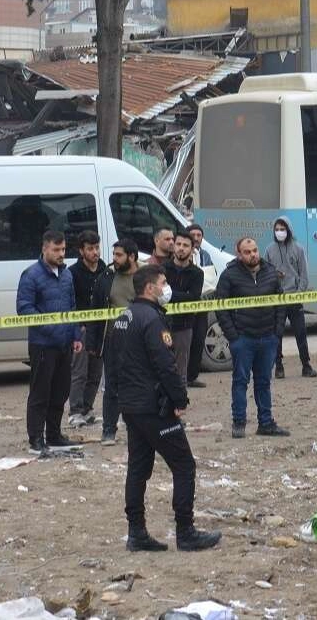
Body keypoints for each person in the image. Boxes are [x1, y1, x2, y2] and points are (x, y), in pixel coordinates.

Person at [105, 265, 221, 552]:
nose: (166, 288)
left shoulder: (123, 318)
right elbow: (166, 365)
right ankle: (186, 531)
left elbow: (113, 363)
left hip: (131, 405)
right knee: (184, 465)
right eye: (163, 282)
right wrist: (180, 399)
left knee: (138, 468)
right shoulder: (152, 320)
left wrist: (118, 400)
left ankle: (136, 532)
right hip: (152, 407)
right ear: (149, 288)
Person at [16, 230, 82, 454]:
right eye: (56, 249)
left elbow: (72, 307)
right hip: (43, 345)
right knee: (40, 393)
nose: (61, 254)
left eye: (63, 249)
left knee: (60, 392)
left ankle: (54, 435)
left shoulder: (67, 275)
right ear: (44, 249)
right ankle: (36, 438)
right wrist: (52, 328)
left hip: (64, 344)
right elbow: (25, 309)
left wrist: (75, 335)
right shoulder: (31, 275)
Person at [216, 238, 289, 439]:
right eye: (247, 252)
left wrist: (277, 332)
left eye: (255, 250)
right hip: (243, 339)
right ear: (239, 254)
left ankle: (266, 423)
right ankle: (239, 422)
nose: (253, 255)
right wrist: (234, 337)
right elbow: (221, 308)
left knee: (264, 382)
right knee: (240, 381)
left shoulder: (270, 272)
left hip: (268, 338)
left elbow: (281, 303)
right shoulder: (229, 275)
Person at [88, 239, 140, 445]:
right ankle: (108, 430)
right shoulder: (106, 277)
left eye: (119, 255)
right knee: (112, 386)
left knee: (141, 384)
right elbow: (95, 310)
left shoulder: (146, 276)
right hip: (113, 341)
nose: (114, 259)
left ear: (132, 257)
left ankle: (139, 428)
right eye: (114, 255)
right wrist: (93, 342)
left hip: (140, 341)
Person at [265, 217, 315, 379]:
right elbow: (265, 274)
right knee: (277, 335)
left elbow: (304, 275)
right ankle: (278, 366)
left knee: (301, 333)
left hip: (294, 299)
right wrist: (274, 279)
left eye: (282, 229)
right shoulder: (269, 249)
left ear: (289, 230)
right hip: (277, 300)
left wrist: (299, 293)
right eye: (277, 229)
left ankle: (306, 365)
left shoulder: (298, 249)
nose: (279, 232)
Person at [68, 231, 105, 427]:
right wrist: (77, 327)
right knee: (79, 372)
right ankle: (75, 411)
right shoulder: (72, 273)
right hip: (81, 328)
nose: (95, 252)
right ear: (81, 251)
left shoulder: (104, 269)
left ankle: (87, 408)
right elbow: (70, 302)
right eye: (90, 248)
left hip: (100, 328)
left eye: (97, 247)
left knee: (95, 373)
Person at [162, 232, 204, 382]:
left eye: (186, 245)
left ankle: (179, 396)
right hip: (162, 325)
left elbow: (193, 297)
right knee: (161, 364)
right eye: (178, 244)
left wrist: (170, 294)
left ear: (192, 249)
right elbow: (159, 294)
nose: (181, 248)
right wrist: (181, 295)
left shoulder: (197, 273)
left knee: (180, 370)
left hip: (184, 326)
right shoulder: (163, 268)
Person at [185, 225, 211, 388]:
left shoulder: (205, 255)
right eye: (193, 234)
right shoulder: (180, 255)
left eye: (199, 235)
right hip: (184, 304)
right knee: (183, 341)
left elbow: (210, 274)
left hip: (201, 303)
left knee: (198, 340)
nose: (196, 238)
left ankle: (192, 376)